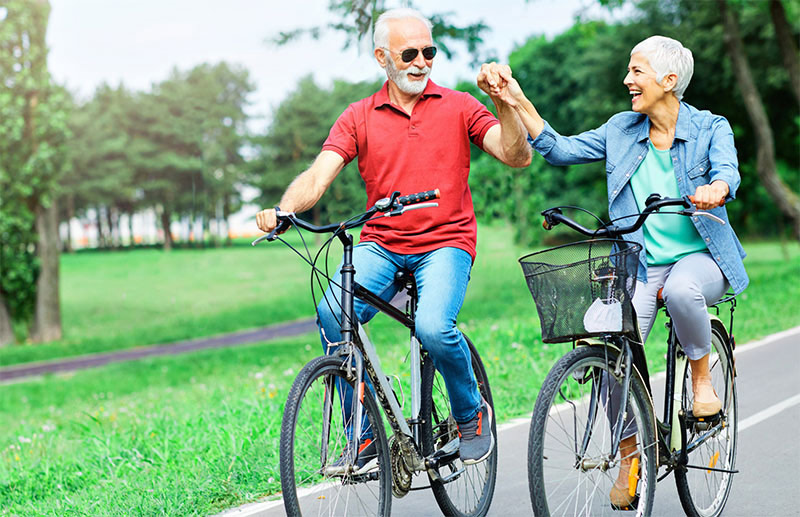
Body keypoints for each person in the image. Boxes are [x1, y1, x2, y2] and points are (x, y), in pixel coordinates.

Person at [256, 7, 531, 465]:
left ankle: (470, 412)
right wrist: (284, 210)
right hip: (382, 243)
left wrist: (503, 103)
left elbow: (515, 154)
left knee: (432, 327)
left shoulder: (460, 105)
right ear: (383, 57)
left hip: (446, 241)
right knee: (332, 312)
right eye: (410, 53)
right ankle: (364, 436)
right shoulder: (359, 116)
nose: (422, 62)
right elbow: (319, 176)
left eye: (430, 51)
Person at [481, 35, 748, 506]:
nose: (627, 79)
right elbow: (559, 149)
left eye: (636, 71)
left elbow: (729, 170)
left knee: (685, 290)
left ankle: (702, 380)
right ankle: (631, 450)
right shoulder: (622, 129)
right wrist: (515, 98)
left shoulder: (710, 127)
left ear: (669, 81)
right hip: (640, 262)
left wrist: (717, 188)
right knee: (609, 344)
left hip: (701, 258)